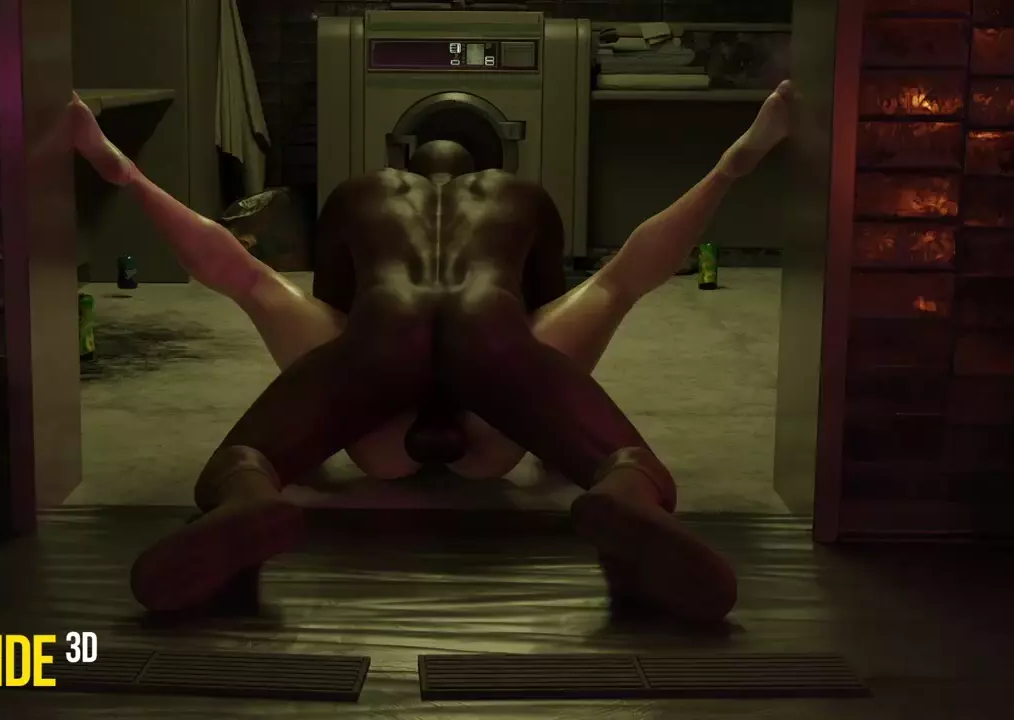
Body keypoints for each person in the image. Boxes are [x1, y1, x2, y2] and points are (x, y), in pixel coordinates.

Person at [69, 80, 793, 623]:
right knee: (612, 287)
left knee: (253, 285)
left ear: (407, 161)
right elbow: (553, 312)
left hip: (384, 371)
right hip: (493, 378)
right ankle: (622, 489)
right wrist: (554, 435)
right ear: (483, 162)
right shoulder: (522, 196)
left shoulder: (359, 193)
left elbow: (328, 315)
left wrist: (309, 431)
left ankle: (253, 493)